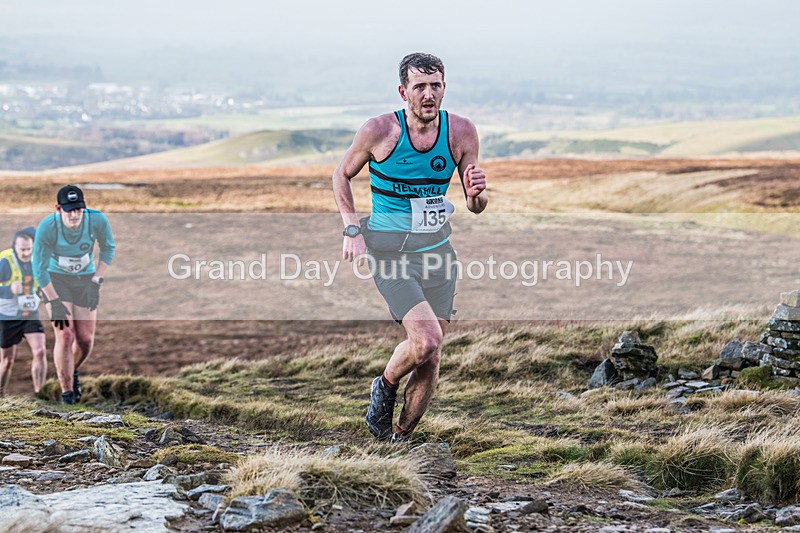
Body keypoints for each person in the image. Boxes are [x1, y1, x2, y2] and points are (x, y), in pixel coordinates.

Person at [332, 53, 488, 442]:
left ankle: (399, 439)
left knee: (431, 355)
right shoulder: (379, 131)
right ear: (403, 91)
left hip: (439, 254)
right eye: (420, 86)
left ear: (444, 88)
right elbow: (341, 174)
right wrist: (352, 228)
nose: (428, 94)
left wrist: (478, 194)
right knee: (427, 340)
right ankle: (383, 387)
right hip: (391, 254)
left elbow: (475, 206)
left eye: (435, 85)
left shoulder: (461, 133)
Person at [33, 185, 115, 404]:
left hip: (85, 280)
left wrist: (96, 281)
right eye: (69, 210)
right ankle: (67, 394)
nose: (74, 214)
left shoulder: (96, 220)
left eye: (78, 209)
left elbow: (108, 248)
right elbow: (38, 268)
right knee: (65, 335)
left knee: (85, 340)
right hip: (55, 280)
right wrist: (53, 300)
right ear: (58, 209)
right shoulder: (47, 227)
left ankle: (72, 370)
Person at [0, 227, 47, 396]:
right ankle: (1, 395)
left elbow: (42, 280)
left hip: (29, 313)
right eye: (23, 249)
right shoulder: (5, 261)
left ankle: (40, 394)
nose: (26, 253)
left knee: (40, 351)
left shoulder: (38, 259)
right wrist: (8, 289)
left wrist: (41, 292)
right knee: (7, 361)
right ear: (15, 246)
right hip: (7, 316)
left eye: (29, 249)